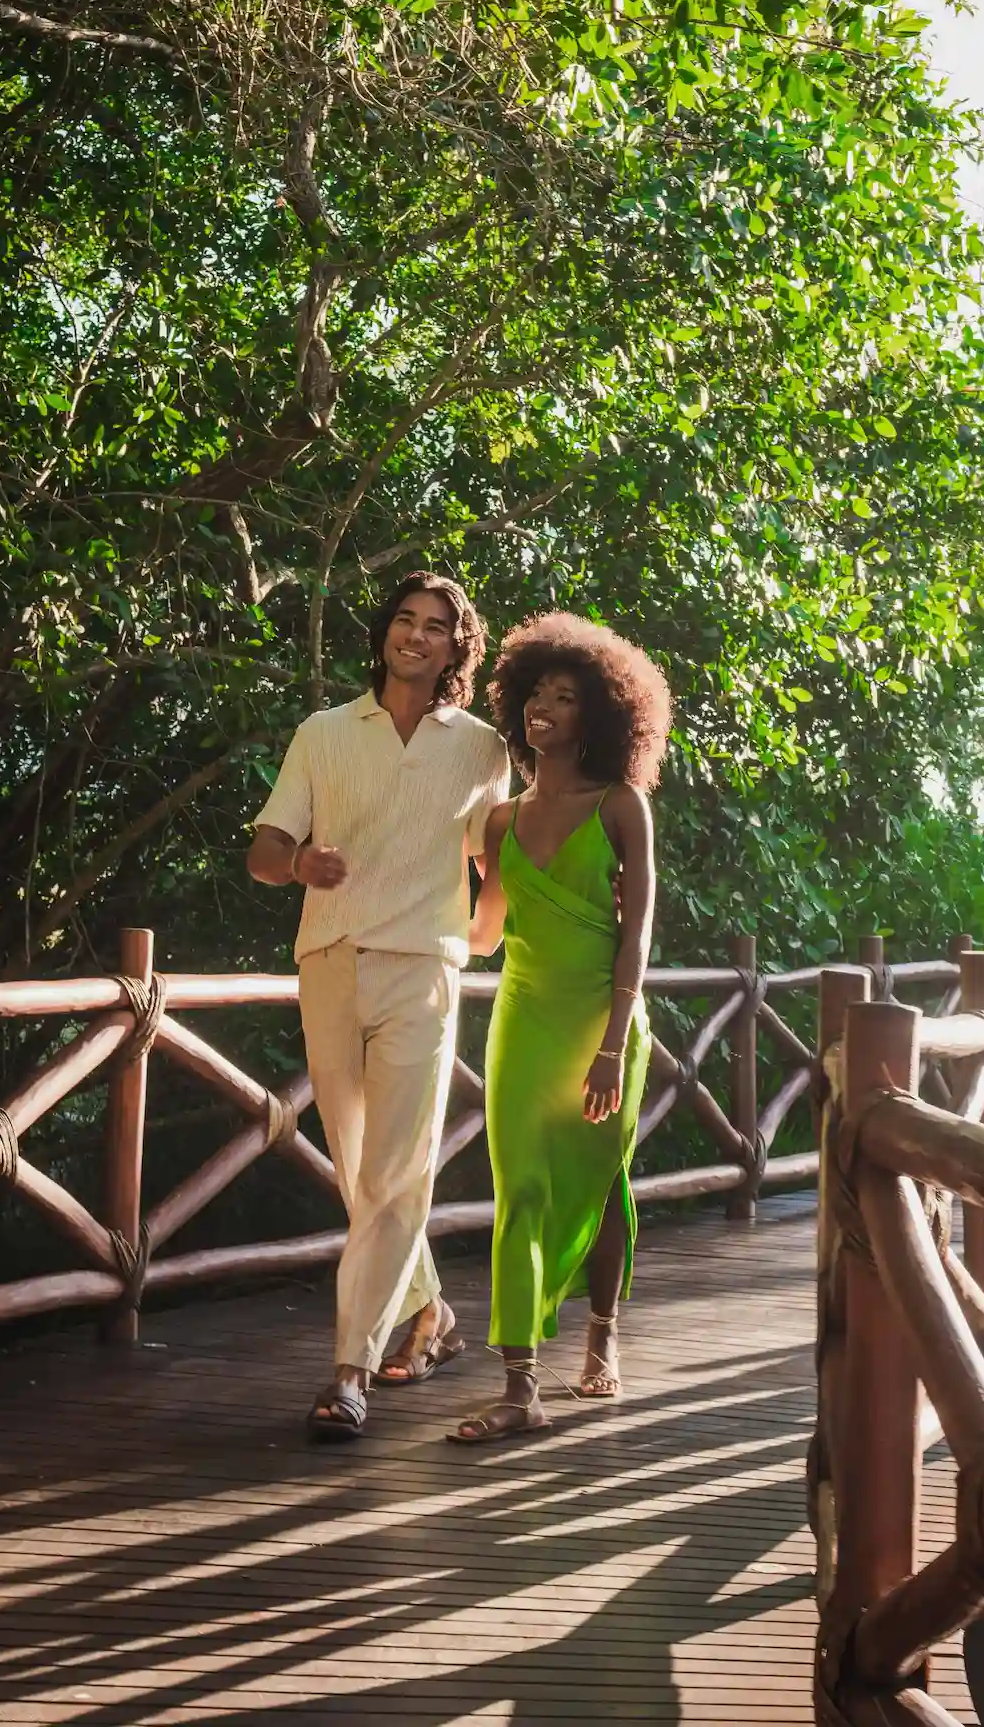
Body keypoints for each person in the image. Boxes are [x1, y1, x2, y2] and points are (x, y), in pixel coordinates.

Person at [247, 572, 510, 1440]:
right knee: (361, 1170)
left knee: (398, 1172)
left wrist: (487, 929)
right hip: (328, 961)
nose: (416, 635)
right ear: (385, 635)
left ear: (454, 649)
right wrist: (299, 868)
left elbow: (498, 856)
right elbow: (265, 848)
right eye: (404, 620)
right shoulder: (324, 732)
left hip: (423, 971)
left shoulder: (481, 750)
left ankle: (348, 1372)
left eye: (436, 626)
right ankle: (432, 1312)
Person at [448, 613, 671, 1443]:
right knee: (521, 1192)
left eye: (566, 696)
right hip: (522, 1017)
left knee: (599, 1179)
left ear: (600, 716)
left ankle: (602, 1331)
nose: (545, 707)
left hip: (603, 1022)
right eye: (536, 693)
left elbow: (639, 932)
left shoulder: (621, 807)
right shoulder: (500, 823)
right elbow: (482, 937)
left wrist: (613, 1044)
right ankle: (519, 1387)